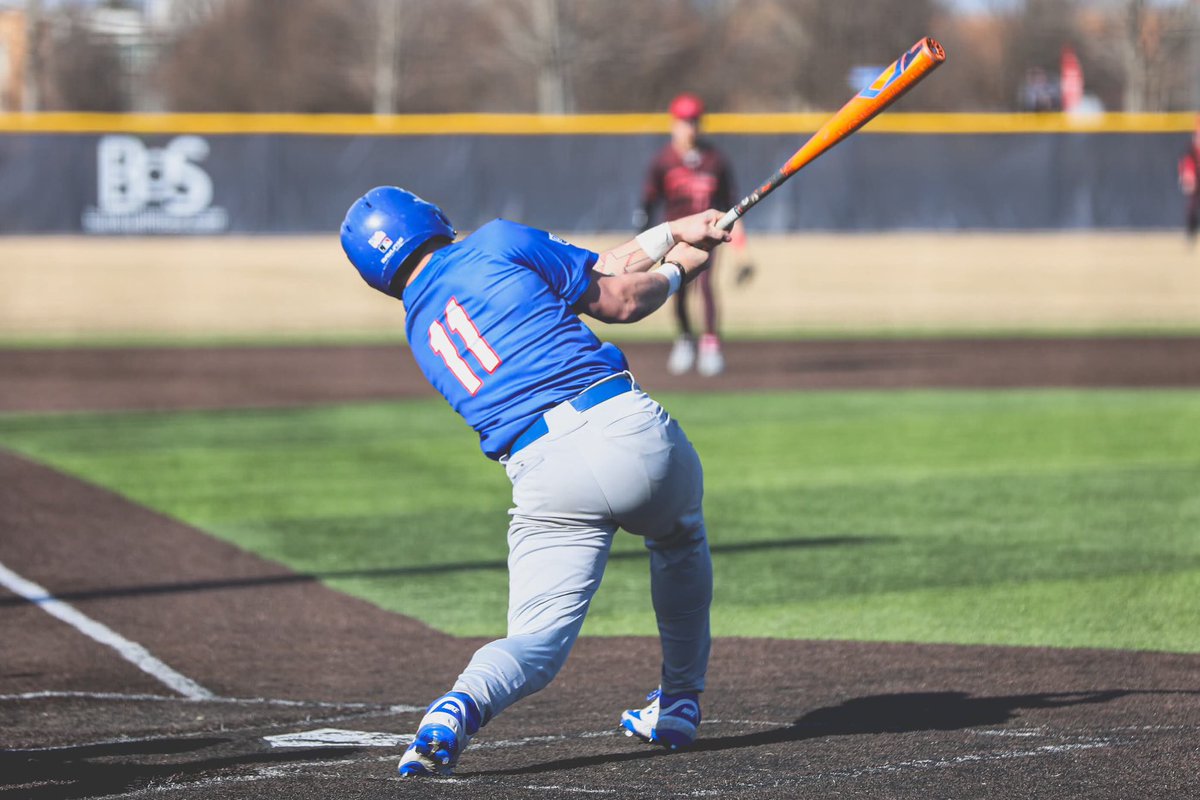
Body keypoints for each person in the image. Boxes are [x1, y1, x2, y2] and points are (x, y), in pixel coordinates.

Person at [340, 186, 731, 777]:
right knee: (679, 541)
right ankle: (679, 701)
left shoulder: (420, 328)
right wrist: (678, 271)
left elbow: (598, 269)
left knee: (535, 643)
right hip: (626, 431)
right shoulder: (496, 240)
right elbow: (620, 299)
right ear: (427, 216)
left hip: (544, 474)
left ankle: (455, 709)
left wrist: (674, 231)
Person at [637, 92, 751, 377]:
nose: (690, 127)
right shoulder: (663, 161)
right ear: (674, 123)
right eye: (685, 121)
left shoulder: (715, 160)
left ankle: (710, 344)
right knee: (676, 286)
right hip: (675, 236)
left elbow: (731, 206)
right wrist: (644, 239)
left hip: (709, 234)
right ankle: (685, 338)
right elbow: (648, 202)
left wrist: (740, 247)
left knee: (707, 286)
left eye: (694, 121)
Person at [1178, 125, 1200, 244]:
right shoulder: (1191, 150)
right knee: (1192, 206)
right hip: (1196, 181)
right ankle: (1191, 234)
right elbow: (1186, 166)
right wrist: (1187, 177)